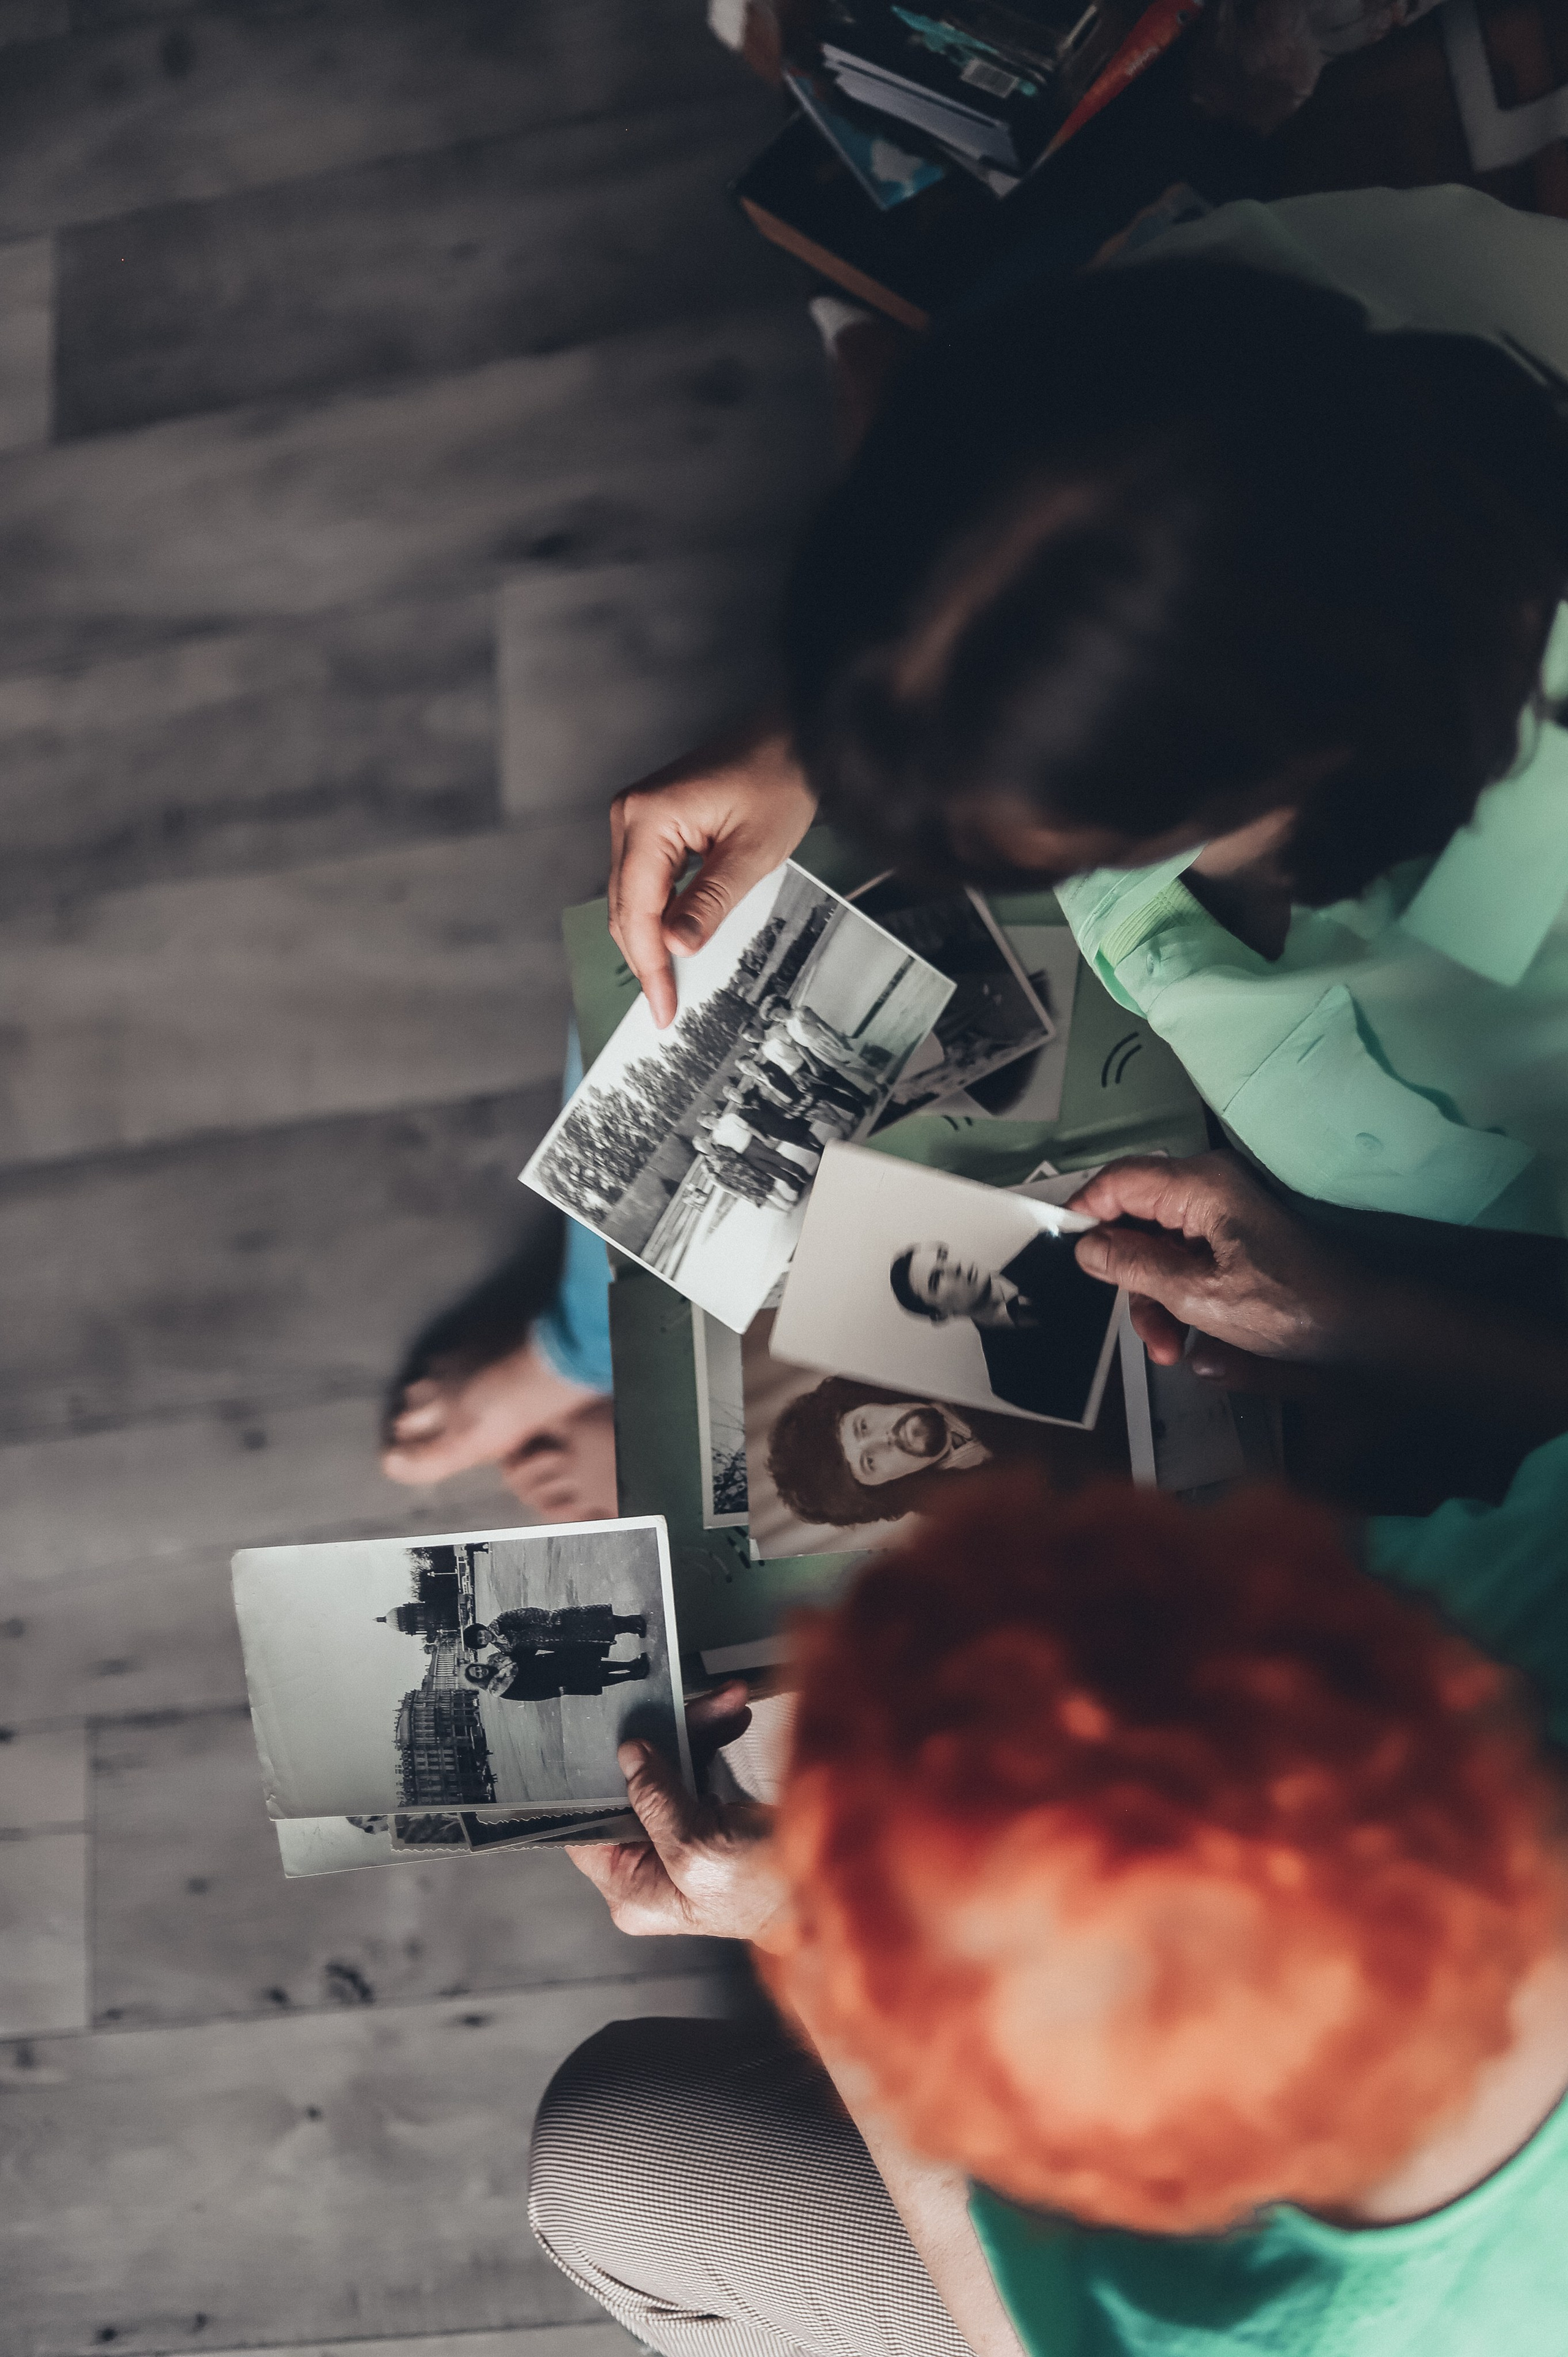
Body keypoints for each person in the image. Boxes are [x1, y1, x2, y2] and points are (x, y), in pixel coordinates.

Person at [603, 191, 1568, 1249]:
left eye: (1056, 843)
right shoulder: (1184, 334)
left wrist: (1360, 1318)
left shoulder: (1523, 984)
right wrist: (833, 723)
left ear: (1268, 767)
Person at [529, 1444, 1568, 2357]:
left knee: (598, 2169)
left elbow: (1014, 2332)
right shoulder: (1524, 1579)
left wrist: (806, 1934)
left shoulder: (1255, 2324)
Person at [766, 1374, 1118, 1531]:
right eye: (870, 1463)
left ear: (867, 1400)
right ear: (886, 1486)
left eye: (863, 1427)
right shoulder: (981, 1524)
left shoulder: (965, 1350)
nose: (884, 1440)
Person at [889, 1229, 1115, 1419]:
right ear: (941, 1315)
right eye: (936, 1279)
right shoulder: (1010, 1382)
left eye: (944, 1255)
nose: (954, 1266)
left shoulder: (1049, 1248)